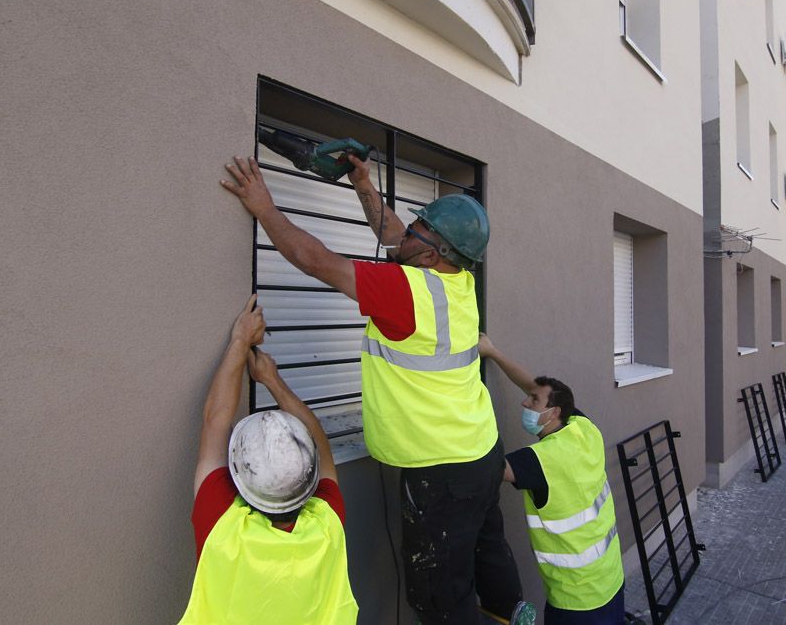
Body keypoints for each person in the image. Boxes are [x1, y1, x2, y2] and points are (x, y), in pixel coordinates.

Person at [220, 155, 531, 624]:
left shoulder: (403, 291)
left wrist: (264, 207)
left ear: (432, 254)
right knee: (490, 566)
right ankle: (513, 615)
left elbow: (315, 260)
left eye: (418, 229)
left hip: (442, 475)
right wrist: (363, 183)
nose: (406, 230)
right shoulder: (460, 280)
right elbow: (395, 234)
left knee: (442, 600)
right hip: (482, 453)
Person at [179, 295, 358, 624]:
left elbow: (215, 421)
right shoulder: (327, 526)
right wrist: (272, 380)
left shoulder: (223, 528)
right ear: (309, 482)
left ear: (239, 481)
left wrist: (240, 339)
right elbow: (320, 442)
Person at [479, 334, 625, 624]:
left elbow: (483, 467)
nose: (524, 401)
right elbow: (534, 386)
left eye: (533, 401)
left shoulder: (540, 460)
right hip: (610, 579)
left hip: (576, 602)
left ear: (552, 414)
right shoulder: (583, 428)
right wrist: (493, 352)